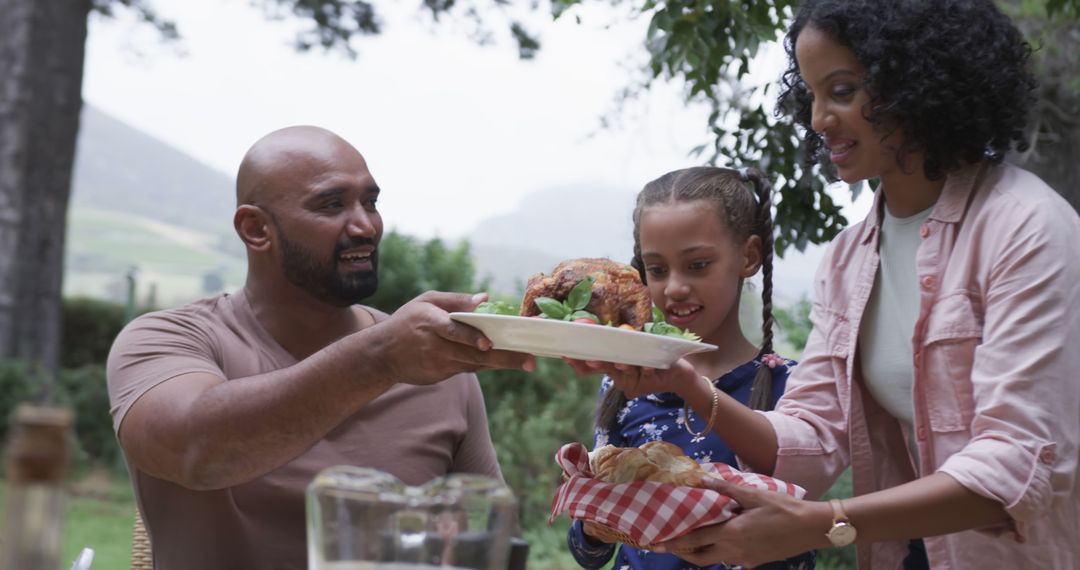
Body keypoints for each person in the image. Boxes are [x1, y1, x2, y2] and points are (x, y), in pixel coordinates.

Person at [574, 1, 1080, 568]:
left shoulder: (1027, 226)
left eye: (842, 90)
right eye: (811, 94)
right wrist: (685, 382)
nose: (817, 119)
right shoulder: (848, 259)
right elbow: (811, 438)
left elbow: (1019, 464)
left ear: (918, 82)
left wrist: (827, 524)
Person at [105, 125, 535, 570]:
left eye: (370, 202)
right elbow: (193, 449)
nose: (365, 225)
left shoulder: (435, 364)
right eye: (331, 205)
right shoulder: (170, 339)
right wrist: (381, 360)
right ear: (256, 229)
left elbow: (497, 547)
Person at [564, 167, 815, 570]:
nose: (675, 287)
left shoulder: (792, 387)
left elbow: (806, 529)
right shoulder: (624, 383)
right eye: (658, 270)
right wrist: (594, 521)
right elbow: (588, 552)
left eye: (697, 265)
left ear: (748, 256)